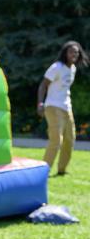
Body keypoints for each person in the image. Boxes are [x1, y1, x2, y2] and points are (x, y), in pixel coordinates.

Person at [37, 40, 89, 175]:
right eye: (71, 52)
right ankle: (43, 172)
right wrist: (40, 103)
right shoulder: (56, 67)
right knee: (56, 140)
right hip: (53, 107)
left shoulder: (72, 69)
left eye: (76, 52)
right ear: (65, 53)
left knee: (70, 139)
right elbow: (43, 85)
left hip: (67, 108)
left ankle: (61, 170)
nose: (74, 54)